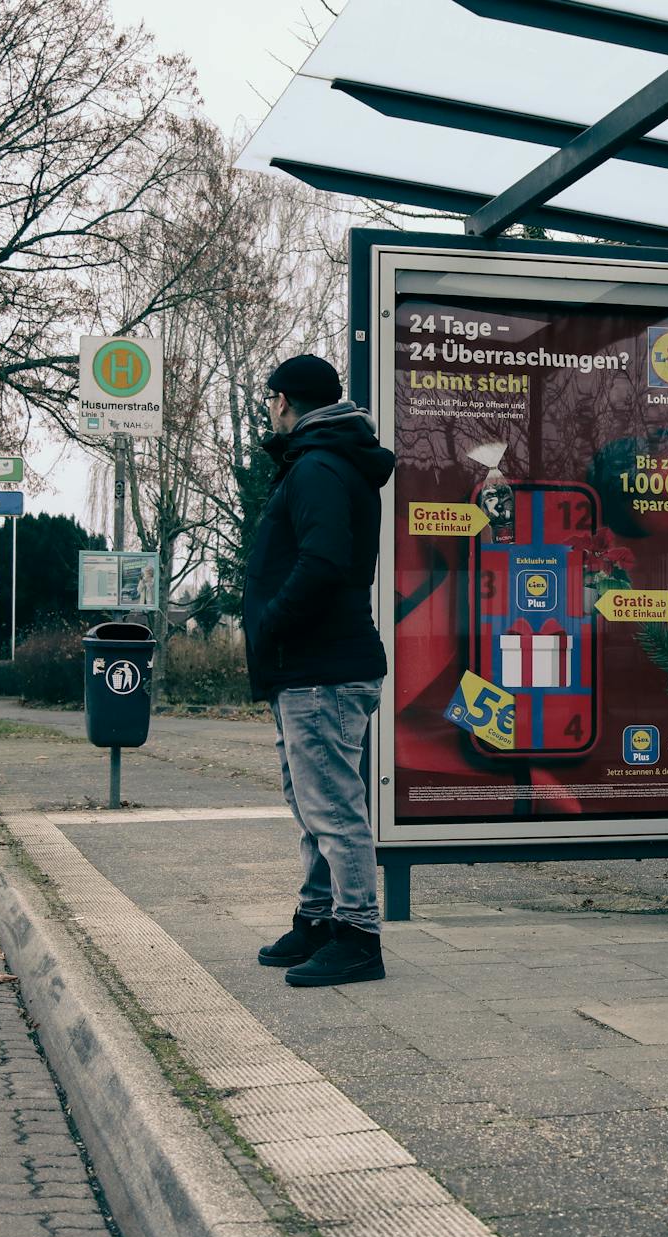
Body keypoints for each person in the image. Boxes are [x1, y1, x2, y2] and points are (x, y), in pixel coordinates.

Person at [244, 354, 396, 987]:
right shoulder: (326, 461)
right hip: (311, 669)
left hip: (320, 668)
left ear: (283, 401)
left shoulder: (318, 467)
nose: (269, 412)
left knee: (332, 806)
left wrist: (269, 623)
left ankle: (358, 935)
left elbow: (324, 561)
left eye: (270, 402)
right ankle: (318, 916)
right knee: (316, 804)